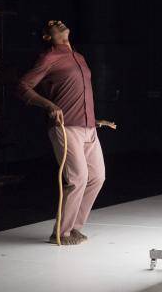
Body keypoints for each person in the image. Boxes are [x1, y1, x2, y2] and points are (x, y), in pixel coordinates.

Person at [17, 20, 116, 245]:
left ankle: (74, 227)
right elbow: (23, 86)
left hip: (88, 127)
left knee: (97, 177)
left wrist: (94, 119)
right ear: (47, 36)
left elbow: (78, 94)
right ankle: (60, 233)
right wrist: (49, 105)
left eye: (59, 21)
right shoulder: (49, 57)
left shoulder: (78, 57)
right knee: (78, 178)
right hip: (66, 127)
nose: (58, 22)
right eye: (52, 24)